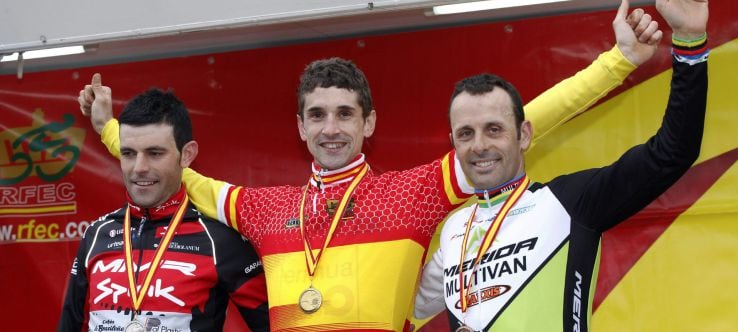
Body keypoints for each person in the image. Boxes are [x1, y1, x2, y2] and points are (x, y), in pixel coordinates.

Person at [80, 2, 663, 330]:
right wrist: (110, 128)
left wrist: (616, 63)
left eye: (344, 114)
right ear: (301, 127)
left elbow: (515, 122)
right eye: (317, 115)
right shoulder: (265, 208)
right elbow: (174, 173)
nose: (330, 128)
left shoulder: (413, 193)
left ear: (370, 124)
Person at [412, 0, 709, 331]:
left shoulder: (569, 203)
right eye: (466, 134)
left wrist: (689, 39)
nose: (479, 145)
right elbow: (404, 302)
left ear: (523, 135)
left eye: (494, 129)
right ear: (454, 143)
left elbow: (672, 152)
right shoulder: (454, 231)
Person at [58, 89, 270, 332]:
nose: (139, 168)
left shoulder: (218, 240)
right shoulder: (97, 234)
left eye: (155, 153)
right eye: (128, 153)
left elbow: (276, 325)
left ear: (187, 155)